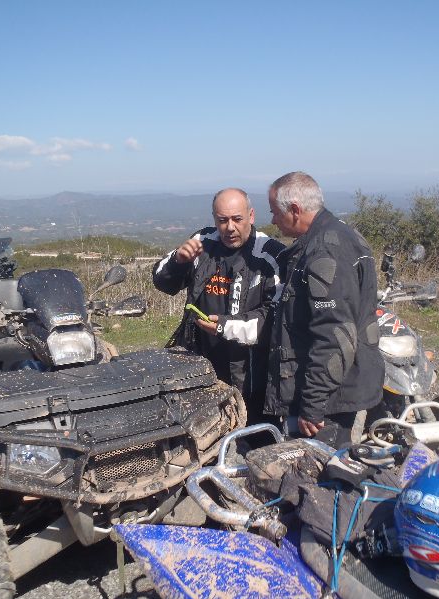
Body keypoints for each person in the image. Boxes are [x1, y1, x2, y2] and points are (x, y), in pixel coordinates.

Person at [265, 171, 384, 448]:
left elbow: (334, 334)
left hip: (331, 398)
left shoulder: (324, 251)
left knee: (318, 468)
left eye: (275, 212)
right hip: (340, 385)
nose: (273, 221)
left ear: (295, 210)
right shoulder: (343, 234)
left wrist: (313, 403)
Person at [153, 188, 285, 424]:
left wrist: (226, 326)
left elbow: (275, 318)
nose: (230, 227)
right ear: (214, 218)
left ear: (251, 216)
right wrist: (178, 261)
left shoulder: (271, 255)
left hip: (251, 375)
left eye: (237, 219)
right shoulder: (202, 242)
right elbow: (163, 282)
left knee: (254, 438)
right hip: (201, 368)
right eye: (222, 220)